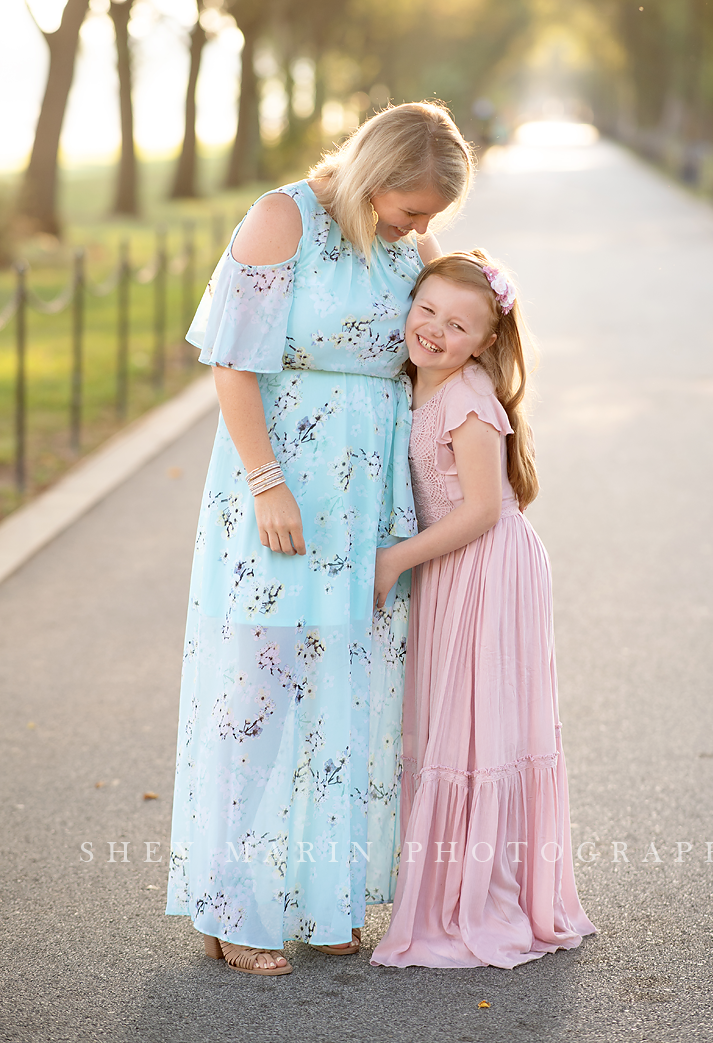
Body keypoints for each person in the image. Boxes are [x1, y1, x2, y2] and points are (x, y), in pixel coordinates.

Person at [166, 103, 474, 974]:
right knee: (260, 695)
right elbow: (232, 362)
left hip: (370, 499)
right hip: (283, 487)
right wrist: (267, 483)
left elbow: (432, 349)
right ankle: (234, 908)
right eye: (413, 208)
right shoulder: (281, 219)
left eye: (429, 217)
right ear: (375, 175)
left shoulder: (403, 249)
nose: (422, 229)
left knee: (350, 690)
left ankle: (321, 895)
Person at [370, 250, 595, 968]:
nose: (434, 330)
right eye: (426, 310)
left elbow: (481, 512)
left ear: (486, 342)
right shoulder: (413, 381)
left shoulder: (467, 400)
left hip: (485, 566)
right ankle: (450, 880)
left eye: (458, 324)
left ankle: (480, 896)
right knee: (451, 724)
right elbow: (445, 278)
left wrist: (395, 561)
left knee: (478, 732)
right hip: (450, 568)